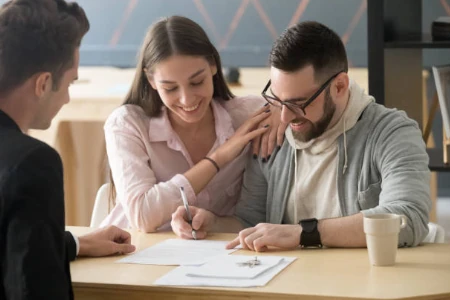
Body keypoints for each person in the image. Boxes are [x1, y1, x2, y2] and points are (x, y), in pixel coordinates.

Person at [171, 21, 431, 250]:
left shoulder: (392, 132)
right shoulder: (273, 136)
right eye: (277, 100)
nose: (284, 117)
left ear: (339, 86)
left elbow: (408, 218)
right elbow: (252, 221)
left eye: (298, 103)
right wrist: (213, 222)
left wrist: (303, 234)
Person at [0, 1, 135, 299]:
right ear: (44, 83)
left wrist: (75, 243)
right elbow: (34, 287)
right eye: (70, 82)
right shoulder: (32, 162)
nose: (68, 99)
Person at [101, 16, 285, 232]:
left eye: (197, 82)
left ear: (213, 66)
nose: (187, 100)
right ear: (151, 81)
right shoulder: (127, 124)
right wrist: (219, 157)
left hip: (219, 256)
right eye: (170, 88)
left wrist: (280, 107)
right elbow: (142, 216)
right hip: (134, 254)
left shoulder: (248, 116)